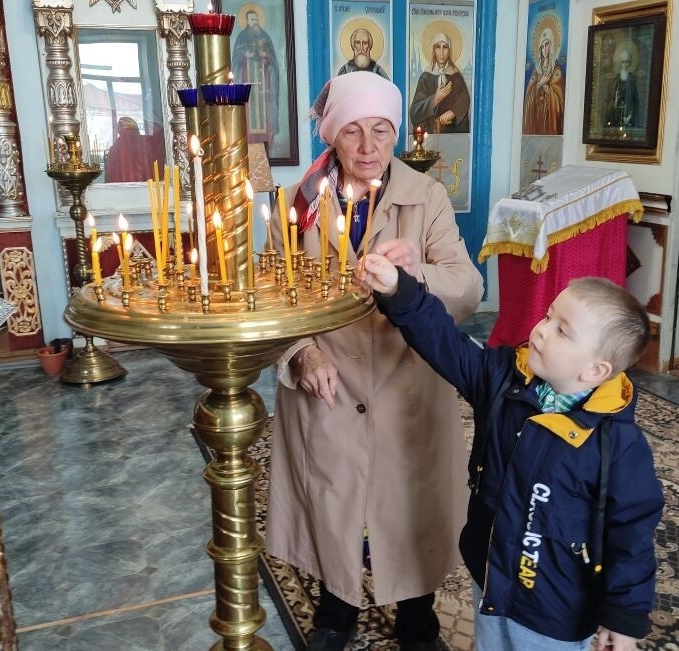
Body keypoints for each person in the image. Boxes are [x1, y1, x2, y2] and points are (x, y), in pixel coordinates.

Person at [266, 71, 483, 651]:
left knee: (410, 499)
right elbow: (273, 296)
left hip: (408, 378)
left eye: (381, 131)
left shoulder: (427, 196)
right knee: (331, 496)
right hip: (328, 380)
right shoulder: (301, 203)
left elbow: (468, 289)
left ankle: (417, 616)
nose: (368, 147)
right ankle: (336, 610)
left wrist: (414, 275)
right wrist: (302, 353)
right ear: (332, 136)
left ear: (396, 134)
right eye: (353, 132)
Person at [357, 263, 664, 651]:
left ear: (595, 370)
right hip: (490, 570)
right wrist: (399, 290)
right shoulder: (503, 379)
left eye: (562, 330)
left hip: (554, 604)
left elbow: (632, 534)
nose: (541, 330)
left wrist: (623, 618)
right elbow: (444, 342)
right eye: (549, 316)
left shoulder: (618, 444)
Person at [232, 9, 280, 148]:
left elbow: (273, 60)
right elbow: (236, 58)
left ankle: (266, 141)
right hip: (248, 82)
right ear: (247, 21)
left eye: (256, 19)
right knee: (249, 112)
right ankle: (249, 142)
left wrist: (267, 56)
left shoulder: (264, 36)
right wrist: (244, 56)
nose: (255, 22)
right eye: (252, 20)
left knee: (265, 112)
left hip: (264, 85)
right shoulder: (242, 37)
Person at [409, 32, 471, 134]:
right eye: (438, 47)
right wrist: (435, 99)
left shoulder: (456, 76)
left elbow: (465, 99)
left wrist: (453, 112)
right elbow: (414, 112)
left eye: (445, 47)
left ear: (449, 50)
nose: (441, 52)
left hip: (453, 134)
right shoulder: (426, 77)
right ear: (433, 50)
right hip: (431, 134)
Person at [522, 27, 565, 135]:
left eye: (547, 45)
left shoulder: (556, 70)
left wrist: (547, 88)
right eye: (542, 46)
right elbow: (528, 98)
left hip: (549, 119)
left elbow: (559, 100)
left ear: (552, 46)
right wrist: (541, 83)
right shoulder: (536, 70)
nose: (544, 49)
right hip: (537, 117)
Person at [606, 46, 640, 129]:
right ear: (620, 63)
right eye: (623, 62)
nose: (624, 64)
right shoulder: (616, 80)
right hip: (616, 117)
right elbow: (611, 100)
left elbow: (635, 102)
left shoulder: (632, 79)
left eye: (627, 62)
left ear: (630, 62)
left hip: (629, 117)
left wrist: (630, 116)